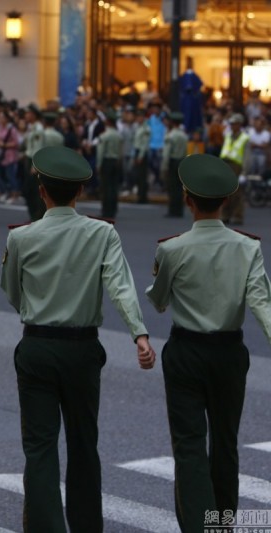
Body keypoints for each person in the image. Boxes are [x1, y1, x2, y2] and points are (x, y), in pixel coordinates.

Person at [0, 145, 155, 533]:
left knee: (39, 448)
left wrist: (35, 310)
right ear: (80, 193)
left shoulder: (22, 237)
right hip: (83, 347)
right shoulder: (102, 233)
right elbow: (120, 286)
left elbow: (11, 291)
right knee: (84, 445)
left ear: (41, 191)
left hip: (36, 344)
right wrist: (139, 333)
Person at [145, 153, 271, 533]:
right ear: (227, 202)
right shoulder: (248, 248)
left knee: (189, 446)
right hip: (230, 352)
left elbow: (160, 298)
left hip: (186, 350)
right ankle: (222, 525)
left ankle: (199, 527)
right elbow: (261, 303)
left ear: (187, 200)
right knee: (226, 445)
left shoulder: (172, 248)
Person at [220, 113, 250, 226]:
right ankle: (225, 215)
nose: (232, 126)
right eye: (231, 124)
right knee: (225, 191)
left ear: (239, 124)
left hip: (237, 166)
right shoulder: (227, 135)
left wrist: (244, 172)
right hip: (226, 163)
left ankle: (238, 216)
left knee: (237, 193)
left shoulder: (245, 138)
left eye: (234, 124)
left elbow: (247, 156)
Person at [96, 111, 123, 219]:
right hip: (116, 161)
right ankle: (113, 209)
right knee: (114, 187)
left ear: (107, 122)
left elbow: (100, 152)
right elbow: (121, 152)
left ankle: (106, 210)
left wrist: (98, 165)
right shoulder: (118, 136)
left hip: (107, 161)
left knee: (106, 187)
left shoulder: (104, 136)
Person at [161, 112, 188, 218]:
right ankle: (179, 210)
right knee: (179, 187)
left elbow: (166, 153)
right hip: (181, 160)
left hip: (173, 161)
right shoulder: (184, 135)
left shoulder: (171, 135)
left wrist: (164, 167)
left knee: (172, 187)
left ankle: (172, 210)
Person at [23, 105, 46, 221]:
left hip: (34, 161)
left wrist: (35, 164)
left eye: (28, 113)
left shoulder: (38, 129)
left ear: (33, 115)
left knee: (33, 191)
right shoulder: (31, 127)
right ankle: (34, 216)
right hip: (28, 159)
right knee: (29, 190)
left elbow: (38, 147)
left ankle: (37, 216)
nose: (26, 115)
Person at [132, 109, 151, 203]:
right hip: (137, 151)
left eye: (140, 117)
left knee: (142, 176)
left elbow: (144, 144)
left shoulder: (145, 129)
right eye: (138, 117)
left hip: (142, 153)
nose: (139, 118)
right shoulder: (137, 127)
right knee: (138, 176)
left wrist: (140, 156)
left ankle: (143, 196)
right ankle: (140, 195)